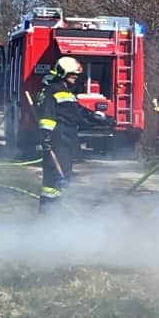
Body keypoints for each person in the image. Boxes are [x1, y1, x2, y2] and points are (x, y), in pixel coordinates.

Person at [36, 56, 108, 212]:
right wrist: (46, 137)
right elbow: (47, 116)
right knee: (54, 178)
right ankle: (48, 213)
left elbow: (76, 113)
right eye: (72, 74)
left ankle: (57, 210)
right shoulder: (52, 90)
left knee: (64, 175)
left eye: (76, 75)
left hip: (67, 140)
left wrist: (95, 117)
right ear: (62, 73)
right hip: (57, 141)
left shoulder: (66, 92)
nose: (75, 77)